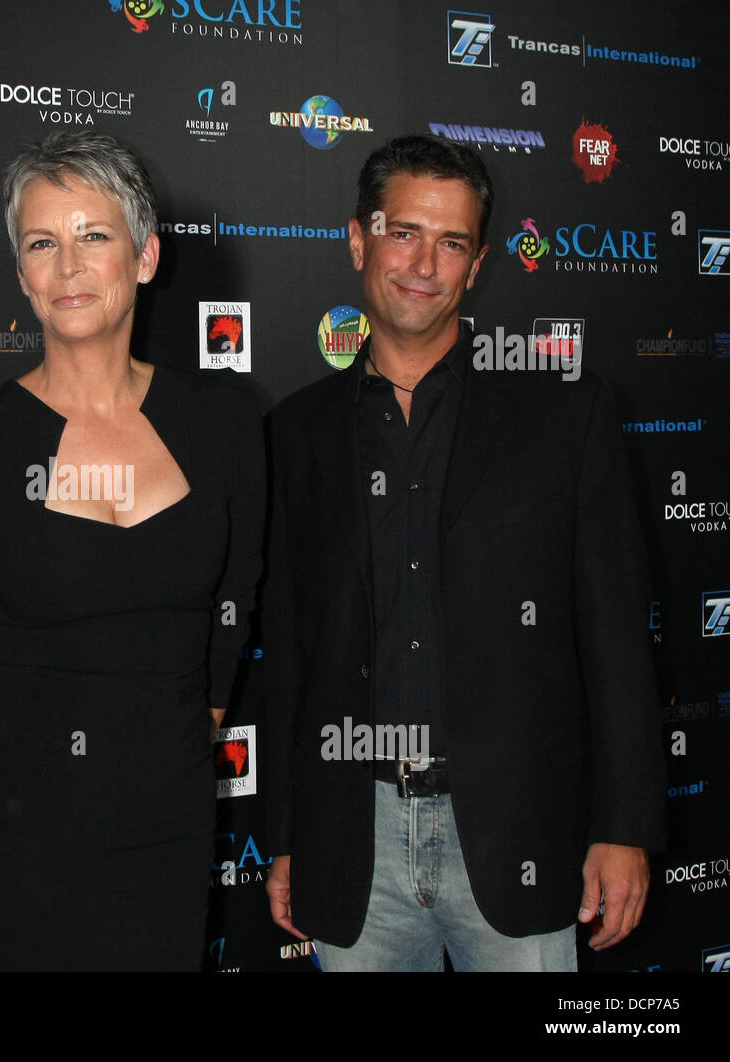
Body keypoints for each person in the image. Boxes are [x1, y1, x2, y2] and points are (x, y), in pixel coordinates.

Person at [262, 134, 664, 971]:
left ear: (477, 265)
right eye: (403, 232)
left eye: (451, 244)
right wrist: (287, 835)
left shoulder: (568, 415)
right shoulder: (293, 433)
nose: (423, 264)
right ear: (358, 238)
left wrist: (623, 828)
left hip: (522, 830)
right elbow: (290, 653)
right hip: (353, 842)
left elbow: (620, 643)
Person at [0, 129, 263, 970]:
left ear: (144, 256)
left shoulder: (225, 430)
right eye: (41, 243)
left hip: (165, 823)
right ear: (20, 271)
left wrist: (163, 743)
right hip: (13, 826)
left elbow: (230, 612)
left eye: (92, 236)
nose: (67, 267)